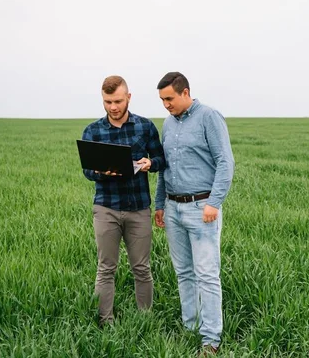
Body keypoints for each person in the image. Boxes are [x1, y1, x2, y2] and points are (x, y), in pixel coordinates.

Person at [154, 72, 235, 354]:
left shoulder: (209, 117)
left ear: (185, 92)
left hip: (202, 208)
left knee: (207, 275)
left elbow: (225, 161)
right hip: (173, 207)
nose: (165, 104)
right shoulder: (167, 123)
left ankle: (211, 339)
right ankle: (191, 327)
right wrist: (160, 204)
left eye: (169, 98)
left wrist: (214, 202)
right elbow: (164, 167)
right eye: (162, 99)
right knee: (184, 273)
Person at [82, 75, 165, 326]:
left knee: (142, 268)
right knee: (106, 268)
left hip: (138, 208)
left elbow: (161, 159)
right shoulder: (93, 130)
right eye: (107, 102)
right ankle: (105, 321)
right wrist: (101, 172)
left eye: (117, 101)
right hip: (106, 207)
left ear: (128, 97)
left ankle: (145, 319)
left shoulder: (145, 126)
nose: (113, 107)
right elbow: (87, 171)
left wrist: (150, 164)